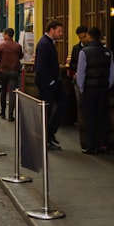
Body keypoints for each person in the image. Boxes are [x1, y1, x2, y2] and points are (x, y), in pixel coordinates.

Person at [76, 26, 114, 155]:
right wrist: (107, 85)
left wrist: (82, 88)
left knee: (90, 118)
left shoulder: (84, 52)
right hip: (103, 89)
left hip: (89, 89)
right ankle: (104, 144)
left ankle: (92, 146)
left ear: (89, 36)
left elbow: (80, 73)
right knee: (103, 117)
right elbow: (112, 73)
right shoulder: (108, 52)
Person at [34, 19, 66, 150]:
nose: (61, 34)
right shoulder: (44, 44)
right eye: (59, 31)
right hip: (47, 83)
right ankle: (46, 138)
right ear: (51, 30)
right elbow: (40, 66)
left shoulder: (49, 43)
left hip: (53, 81)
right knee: (46, 110)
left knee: (63, 103)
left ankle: (50, 133)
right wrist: (50, 81)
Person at [0, 28, 23, 121]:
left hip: (4, 71)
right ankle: (11, 114)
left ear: (7, 34)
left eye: (4, 34)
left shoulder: (1, 46)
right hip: (14, 71)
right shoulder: (18, 46)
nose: (3, 35)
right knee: (12, 92)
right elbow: (20, 56)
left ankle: (3, 112)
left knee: (3, 91)